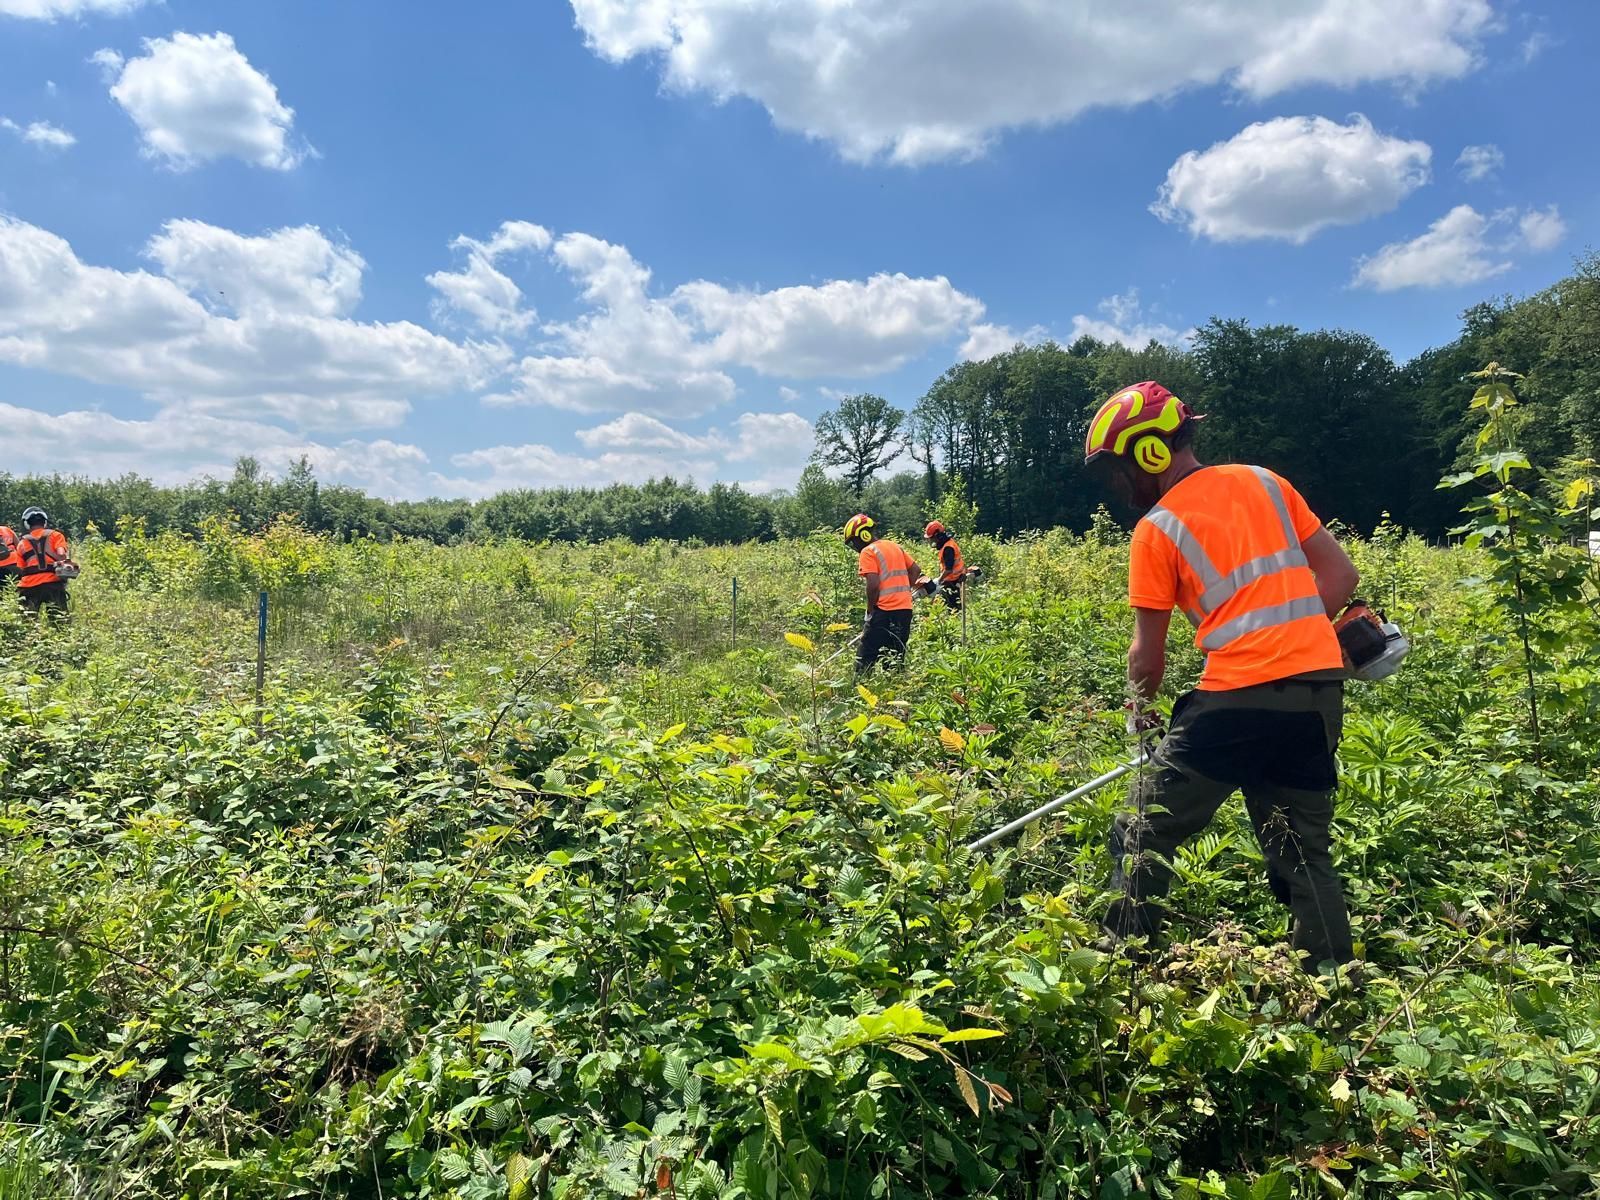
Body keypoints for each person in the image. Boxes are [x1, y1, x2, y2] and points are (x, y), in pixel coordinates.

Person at [1085, 381, 1361, 972]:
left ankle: (1118, 966)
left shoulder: (1157, 528)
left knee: (1142, 827)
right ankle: (1332, 987)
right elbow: (1340, 577)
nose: (1119, 483)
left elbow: (1147, 657)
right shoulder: (1266, 481)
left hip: (1235, 702)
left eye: (1117, 468)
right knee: (1303, 852)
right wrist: (1297, 638)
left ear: (1149, 453)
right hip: (1318, 695)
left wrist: (1139, 709)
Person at [843, 513, 925, 673]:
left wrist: (870, 611)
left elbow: (873, 585)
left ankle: (858, 692)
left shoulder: (868, 551)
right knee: (895, 658)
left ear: (863, 535)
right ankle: (897, 691)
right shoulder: (894, 546)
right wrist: (903, 593)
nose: (854, 546)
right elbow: (915, 570)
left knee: (865, 657)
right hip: (904, 611)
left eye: (854, 541)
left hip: (883, 613)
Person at [15, 507, 73, 617]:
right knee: (60, 621)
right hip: (53, 583)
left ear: (27, 524)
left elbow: (21, 569)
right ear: (45, 522)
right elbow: (61, 554)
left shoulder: (22, 542)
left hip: (30, 586)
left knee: (28, 623)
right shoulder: (56, 535)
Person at [923, 521, 968, 611]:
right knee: (952, 606)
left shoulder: (948, 548)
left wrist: (939, 580)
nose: (932, 540)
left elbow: (949, 569)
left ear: (938, 535)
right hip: (953, 578)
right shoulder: (948, 543)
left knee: (953, 608)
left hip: (953, 581)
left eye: (932, 538)